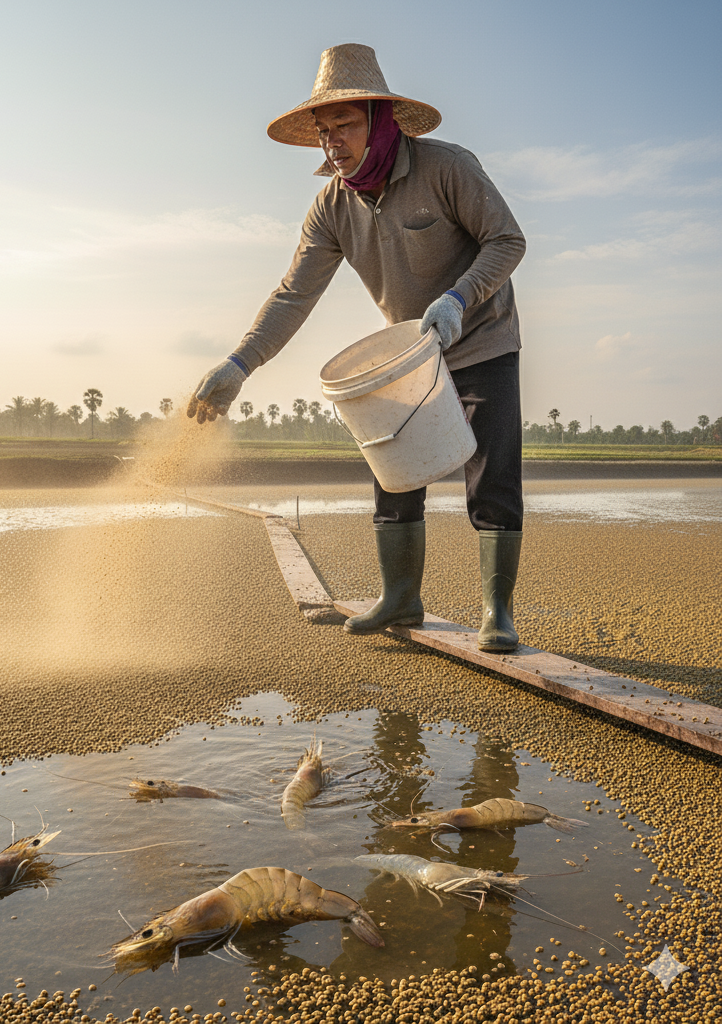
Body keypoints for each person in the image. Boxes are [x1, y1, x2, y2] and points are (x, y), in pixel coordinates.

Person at [186, 43, 526, 652]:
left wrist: (456, 299)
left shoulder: (447, 168)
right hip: (409, 353)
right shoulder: (331, 206)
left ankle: (496, 612)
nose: (331, 141)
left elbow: (507, 240)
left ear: (380, 118)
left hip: (480, 335)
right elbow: (294, 295)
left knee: (490, 473)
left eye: (343, 124)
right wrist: (240, 364)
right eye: (323, 129)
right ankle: (401, 597)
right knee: (393, 470)